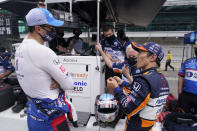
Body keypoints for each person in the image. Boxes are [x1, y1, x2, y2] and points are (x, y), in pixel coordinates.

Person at [15, 8, 74, 131]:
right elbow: (69, 84)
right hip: (52, 119)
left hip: (33, 114)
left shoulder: (19, 48)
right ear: (38, 29)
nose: (54, 31)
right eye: (51, 28)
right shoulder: (44, 51)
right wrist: (58, 80)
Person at [107, 42, 169, 131]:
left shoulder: (144, 79)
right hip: (149, 125)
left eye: (141, 53)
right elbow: (142, 94)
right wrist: (123, 83)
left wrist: (116, 89)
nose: (137, 56)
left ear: (153, 57)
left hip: (136, 127)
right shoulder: (161, 77)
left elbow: (127, 107)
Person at [178, 46, 197, 114]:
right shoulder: (187, 62)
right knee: (184, 117)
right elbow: (181, 77)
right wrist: (180, 93)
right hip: (186, 96)